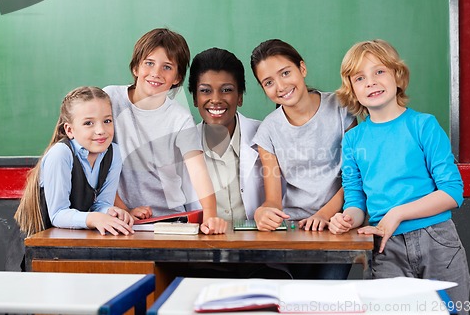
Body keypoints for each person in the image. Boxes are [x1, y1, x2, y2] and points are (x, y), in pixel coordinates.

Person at [329, 39, 470, 312]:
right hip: (386, 246)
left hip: (437, 241)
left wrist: (398, 213)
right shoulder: (353, 140)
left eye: (379, 71)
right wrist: (347, 219)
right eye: (360, 77)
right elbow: (356, 201)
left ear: (398, 75)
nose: (371, 82)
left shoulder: (423, 125)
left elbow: (452, 192)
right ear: (352, 90)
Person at [250, 39, 356, 279]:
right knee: (294, 296)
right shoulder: (268, 131)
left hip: (338, 225)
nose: (280, 86)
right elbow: (274, 200)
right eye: (268, 82)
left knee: (326, 296)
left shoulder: (341, 108)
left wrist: (323, 215)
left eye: (285, 73)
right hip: (295, 230)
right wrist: (262, 214)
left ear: (302, 69)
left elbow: (354, 178)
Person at [103, 28, 227, 234]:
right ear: (135, 67)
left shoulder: (180, 118)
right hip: (121, 217)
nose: (156, 73)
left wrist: (211, 215)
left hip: (170, 220)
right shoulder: (110, 99)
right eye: (149, 63)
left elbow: (198, 171)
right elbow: (97, 163)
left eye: (167, 67)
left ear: (177, 77)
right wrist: (124, 209)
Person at [14, 86, 134, 237]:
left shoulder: (113, 153)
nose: (101, 130)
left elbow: (102, 204)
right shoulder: (61, 154)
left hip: (74, 242)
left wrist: (110, 212)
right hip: (38, 244)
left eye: (107, 121)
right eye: (89, 123)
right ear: (69, 130)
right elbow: (58, 214)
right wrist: (94, 218)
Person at [188, 47, 264, 221]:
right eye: (205, 90)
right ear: (194, 98)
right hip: (201, 245)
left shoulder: (264, 136)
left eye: (227, 90)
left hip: (258, 243)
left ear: (240, 97)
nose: (215, 99)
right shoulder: (183, 145)